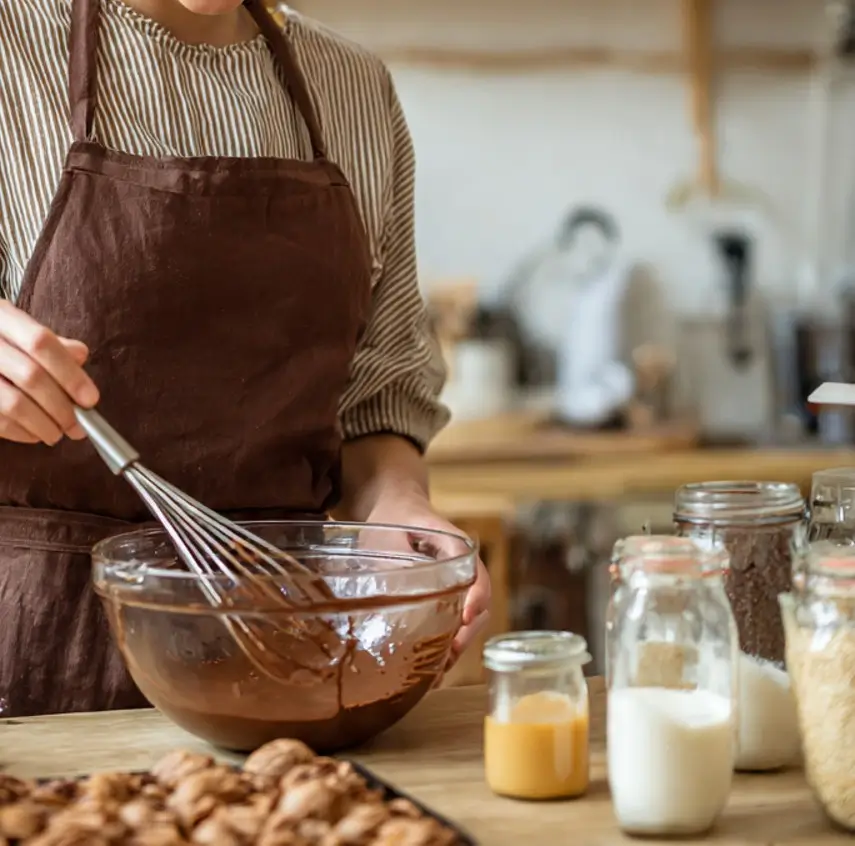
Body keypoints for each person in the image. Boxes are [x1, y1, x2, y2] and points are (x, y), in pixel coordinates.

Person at [0, 0, 490, 717]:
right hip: (32, 652)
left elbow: (372, 396)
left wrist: (396, 503)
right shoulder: (13, 48)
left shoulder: (351, 87)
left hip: (278, 648)